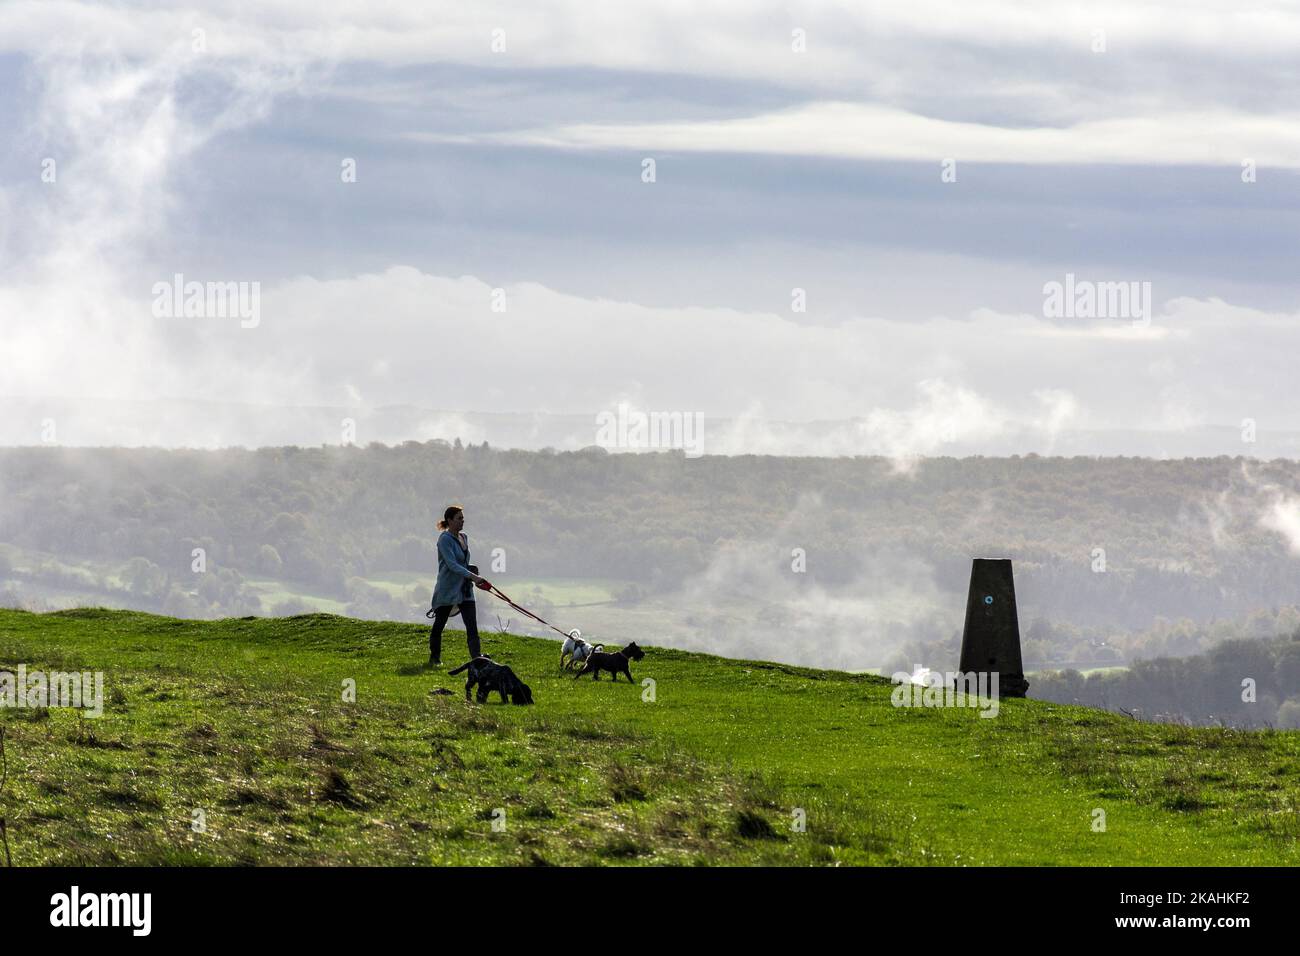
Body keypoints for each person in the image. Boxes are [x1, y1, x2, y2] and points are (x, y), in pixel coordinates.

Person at [428, 504, 490, 666]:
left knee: (472, 625)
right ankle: (435, 658)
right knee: (440, 624)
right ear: (449, 520)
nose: (462, 521)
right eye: (459, 518)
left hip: (465, 589)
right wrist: (474, 576)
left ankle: (477, 658)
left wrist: (471, 571)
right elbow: (451, 564)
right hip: (448, 589)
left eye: (463, 518)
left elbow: (462, 563)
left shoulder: (464, 537)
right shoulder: (444, 540)